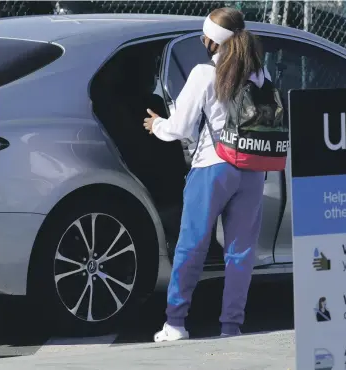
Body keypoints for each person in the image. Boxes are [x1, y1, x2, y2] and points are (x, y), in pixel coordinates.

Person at [143, 7, 271, 342]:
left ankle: (176, 322)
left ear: (211, 42)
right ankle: (231, 326)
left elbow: (180, 129)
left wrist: (156, 124)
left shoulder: (204, 74)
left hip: (212, 168)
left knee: (192, 246)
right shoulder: (260, 73)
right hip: (253, 170)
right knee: (241, 251)